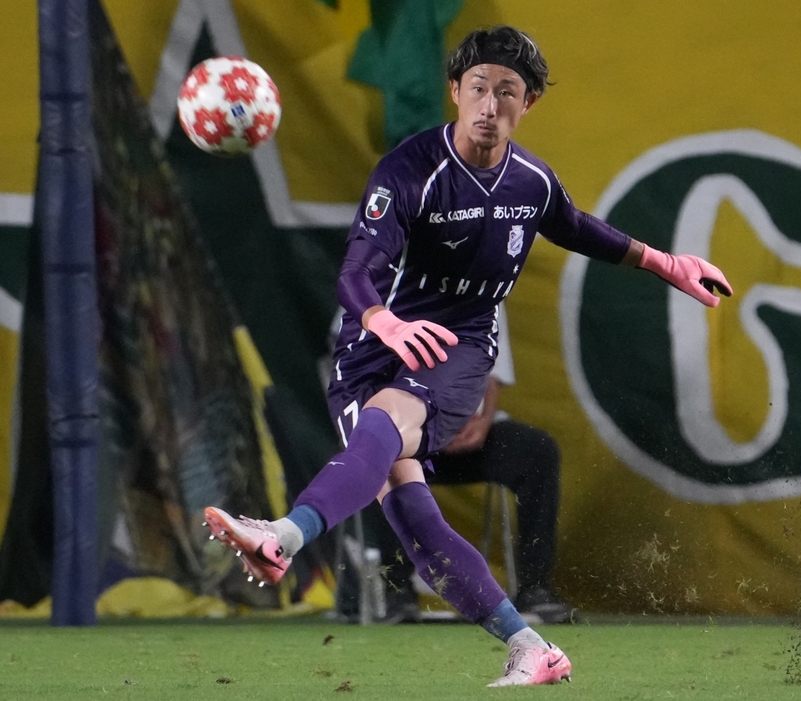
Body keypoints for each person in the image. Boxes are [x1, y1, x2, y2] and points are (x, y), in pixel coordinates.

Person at [204, 25, 731, 687]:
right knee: (417, 525)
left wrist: (664, 261)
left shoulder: (531, 182)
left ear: (528, 103)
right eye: (478, 87)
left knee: (389, 419)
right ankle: (529, 644)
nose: (490, 104)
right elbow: (355, 271)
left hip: (455, 350)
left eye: (507, 92)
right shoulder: (408, 171)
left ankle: (282, 534)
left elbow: (576, 226)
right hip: (371, 347)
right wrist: (383, 321)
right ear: (455, 91)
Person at [373, 304, 572, 625]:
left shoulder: (488, 281)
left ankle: (535, 588)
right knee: (376, 454)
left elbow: (494, 367)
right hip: (401, 432)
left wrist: (480, 421)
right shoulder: (373, 285)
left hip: (468, 431)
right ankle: (395, 590)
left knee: (537, 451)